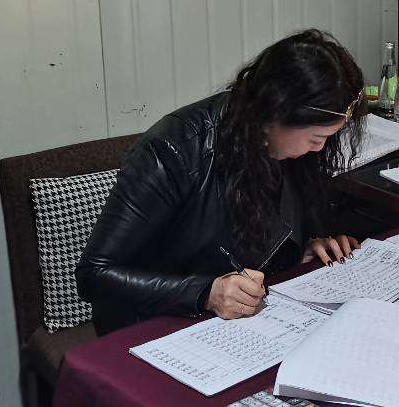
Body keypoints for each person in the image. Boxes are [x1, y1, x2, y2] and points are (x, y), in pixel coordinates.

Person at [76, 30, 366, 334]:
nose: (320, 148)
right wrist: (206, 292)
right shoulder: (174, 149)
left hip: (241, 317)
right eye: (317, 137)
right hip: (156, 323)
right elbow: (94, 275)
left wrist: (304, 247)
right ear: (276, 112)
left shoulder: (287, 151)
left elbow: (261, 236)